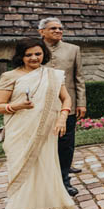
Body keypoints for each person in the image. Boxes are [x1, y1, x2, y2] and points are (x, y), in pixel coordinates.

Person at [0, 38, 80, 209]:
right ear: (21, 56)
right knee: (22, 172)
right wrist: (18, 106)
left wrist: (62, 117)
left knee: (46, 170)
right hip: (20, 132)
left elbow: (66, 99)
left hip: (47, 131)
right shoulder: (9, 76)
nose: (34, 58)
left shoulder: (52, 75)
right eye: (29, 54)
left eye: (38, 54)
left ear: (44, 55)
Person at [39, 18, 85, 196]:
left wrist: (81, 103)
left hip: (69, 105)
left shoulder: (73, 49)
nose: (58, 31)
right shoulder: (35, 50)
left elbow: (79, 78)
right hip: (41, 106)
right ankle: (44, 182)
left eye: (60, 28)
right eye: (53, 28)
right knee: (43, 145)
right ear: (41, 32)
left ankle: (64, 182)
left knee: (65, 145)